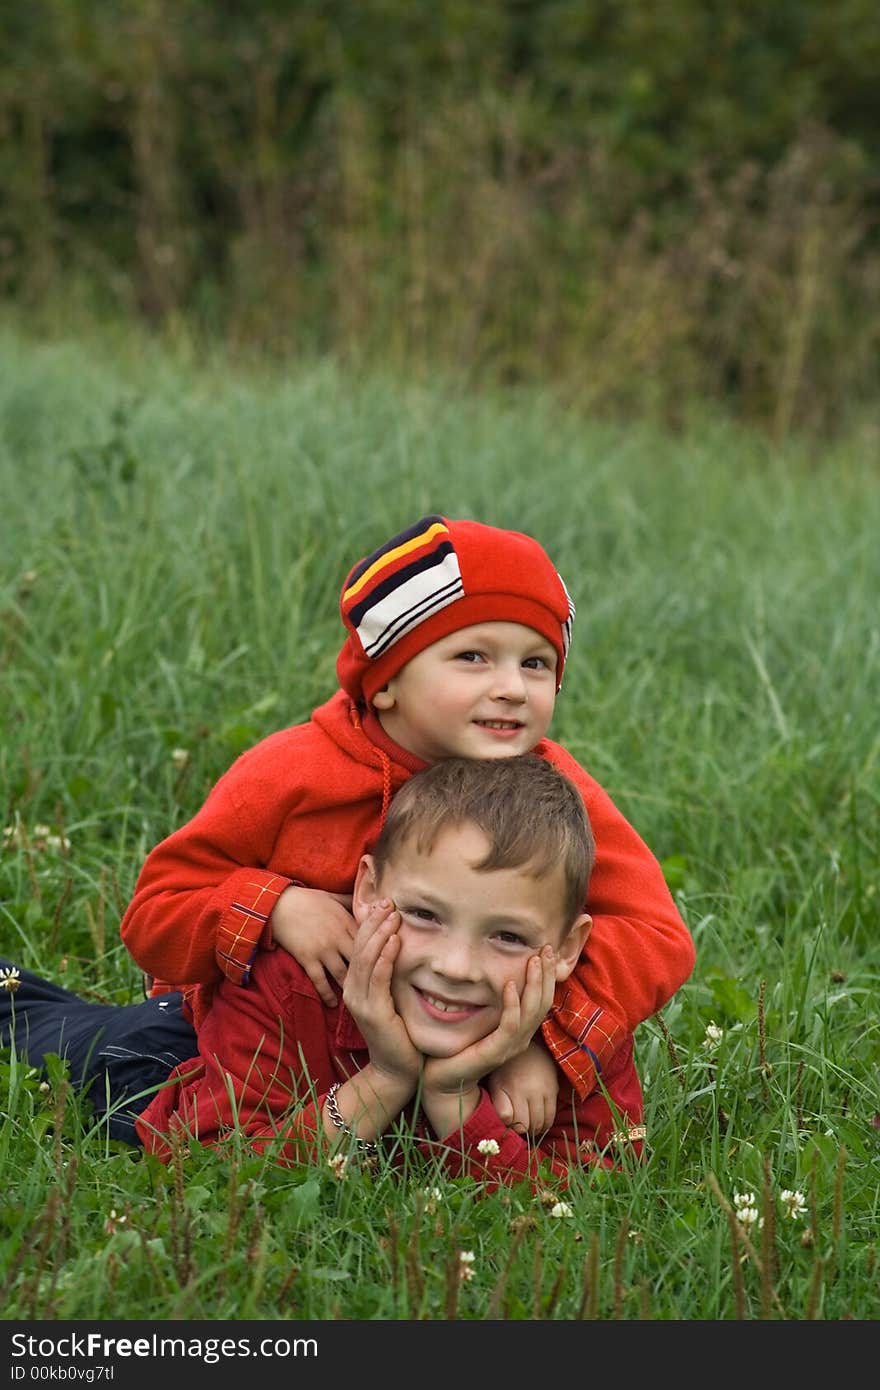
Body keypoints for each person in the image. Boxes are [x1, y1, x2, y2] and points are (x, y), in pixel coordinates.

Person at [118, 513, 695, 1133]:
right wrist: (278, 906)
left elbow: (654, 934)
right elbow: (156, 912)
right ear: (386, 679)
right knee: (70, 1049)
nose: (512, 688)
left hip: (449, 1041)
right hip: (259, 1048)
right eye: (473, 656)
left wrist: (536, 1039)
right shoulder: (292, 774)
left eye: (535, 663)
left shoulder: (552, 800)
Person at [1, 756, 646, 1187]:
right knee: (32, 1035)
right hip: (166, 1061)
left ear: (567, 949)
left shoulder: (576, 1034)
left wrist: (454, 1099)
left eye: (507, 935)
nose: (454, 967)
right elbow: (219, 1174)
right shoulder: (292, 982)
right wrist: (387, 1079)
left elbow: (578, 1210)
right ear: (365, 892)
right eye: (423, 915)